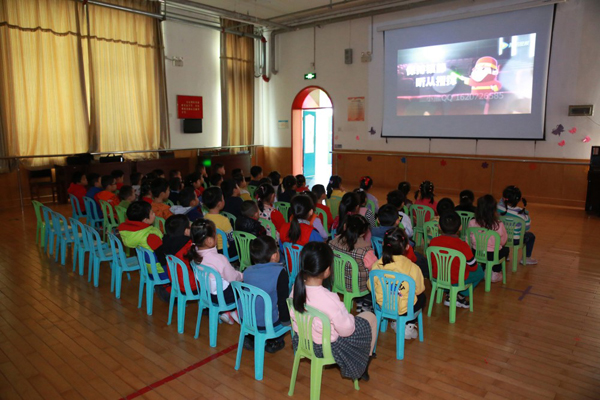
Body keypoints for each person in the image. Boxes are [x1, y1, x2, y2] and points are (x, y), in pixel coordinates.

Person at [290, 242, 377, 381]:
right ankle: (364, 362)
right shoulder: (329, 299)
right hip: (325, 347)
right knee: (370, 318)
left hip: (301, 340)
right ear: (327, 271)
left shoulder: (297, 287)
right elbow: (347, 330)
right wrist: (349, 317)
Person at [368, 227, 426, 339]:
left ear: (383, 244)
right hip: (405, 308)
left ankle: (395, 321)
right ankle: (408, 325)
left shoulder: (377, 265)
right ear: (407, 247)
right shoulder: (413, 268)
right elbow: (419, 289)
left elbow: (371, 286)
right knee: (422, 297)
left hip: (383, 305)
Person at [187, 218, 240, 324]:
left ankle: (227, 313)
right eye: (215, 234)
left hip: (207, 295)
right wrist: (242, 275)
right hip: (224, 298)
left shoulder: (195, 256)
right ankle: (237, 313)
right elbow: (233, 278)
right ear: (209, 241)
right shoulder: (219, 259)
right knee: (243, 288)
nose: (216, 237)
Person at [242, 236, 290, 352]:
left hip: (247, 321)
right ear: (274, 256)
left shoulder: (246, 271)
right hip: (269, 324)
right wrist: (286, 321)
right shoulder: (280, 273)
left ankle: (251, 338)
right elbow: (283, 302)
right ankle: (274, 341)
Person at [429, 211, 483, 308]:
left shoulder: (433, 242)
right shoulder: (463, 245)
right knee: (479, 271)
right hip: (456, 279)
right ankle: (459, 295)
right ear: (460, 227)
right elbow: (473, 267)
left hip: (438, 277)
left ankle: (449, 293)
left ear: (439, 227)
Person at [118, 201, 169, 301]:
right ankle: (169, 292)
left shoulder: (131, 233)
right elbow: (162, 257)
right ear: (145, 220)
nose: (154, 214)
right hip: (160, 271)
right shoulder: (151, 235)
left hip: (147, 269)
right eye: (152, 213)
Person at [328, 214, 377, 312]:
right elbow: (375, 267)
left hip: (337, 281)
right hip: (358, 286)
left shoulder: (332, 242)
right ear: (363, 233)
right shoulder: (365, 251)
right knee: (375, 277)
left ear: (345, 226)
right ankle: (366, 303)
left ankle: (358, 301)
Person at [372, 204, 428, 278]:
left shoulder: (372, 231)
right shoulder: (398, 233)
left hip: (380, 258)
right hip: (400, 260)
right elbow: (409, 245)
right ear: (397, 221)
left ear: (378, 220)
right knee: (422, 260)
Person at [469, 194, 509, 283]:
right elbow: (503, 242)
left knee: (485, 252)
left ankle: (483, 268)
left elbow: (469, 239)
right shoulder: (499, 224)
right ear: (494, 210)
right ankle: (495, 271)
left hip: (476, 252)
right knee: (506, 250)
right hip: (492, 255)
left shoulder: (472, 222)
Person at [155, 214, 197, 294]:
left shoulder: (165, 242)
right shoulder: (188, 246)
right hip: (192, 286)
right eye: (190, 226)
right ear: (186, 231)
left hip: (176, 283)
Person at [498, 185, 537, 265]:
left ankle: (505, 254)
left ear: (504, 198)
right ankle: (526, 258)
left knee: (505, 231)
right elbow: (526, 228)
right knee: (531, 236)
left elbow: (502, 201)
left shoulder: (498, 207)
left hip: (500, 237)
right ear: (519, 199)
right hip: (515, 240)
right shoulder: (522, 214)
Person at [202, 186, 235, 253]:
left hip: (212, 249)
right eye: (223, 198)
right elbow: (231, 238)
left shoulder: (205, 218)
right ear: (219, 204)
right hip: (225, 250)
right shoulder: (224, 220)